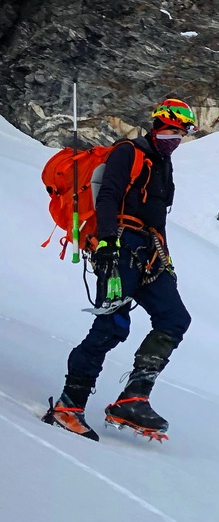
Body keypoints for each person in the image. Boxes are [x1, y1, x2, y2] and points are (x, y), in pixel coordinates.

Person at [43, 98, 196, 440]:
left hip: (150, 252)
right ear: (158, 126)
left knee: (174, 319)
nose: (177, 138)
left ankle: (133, 398)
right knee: (112, 325)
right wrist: (108, 243)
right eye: (173, 130)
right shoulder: (128, 151)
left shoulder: (162, 164)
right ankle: (69, 405)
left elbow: (157, 219)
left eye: (181, 133)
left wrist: (166, 260)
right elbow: (109, 196)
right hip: (121, 249)